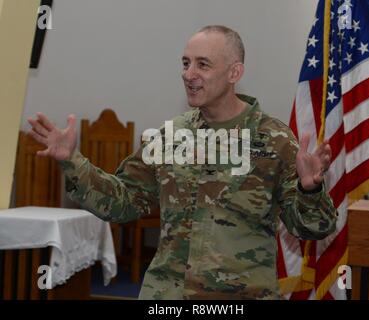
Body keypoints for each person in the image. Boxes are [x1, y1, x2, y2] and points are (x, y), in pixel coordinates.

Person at [28, 25, 337, 300]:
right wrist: (72, 161)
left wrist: (310, 190)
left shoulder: (275, 140)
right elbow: (122, 202)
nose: (189, 74)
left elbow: (313, 229)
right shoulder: (169, 136)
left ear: (234, 73)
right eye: (186, 63)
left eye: (203, 64)